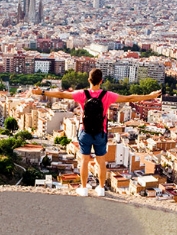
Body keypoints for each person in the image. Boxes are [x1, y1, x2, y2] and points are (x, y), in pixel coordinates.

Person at [32, 68, 160, 197]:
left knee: (84, 161)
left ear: (89, 80)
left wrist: (42, 92)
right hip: (100, 132)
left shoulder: (82, 94)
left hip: (85, 132)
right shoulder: (107, 95)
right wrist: (151, 95)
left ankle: (83, 188)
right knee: (101, 161)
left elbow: (61, 94)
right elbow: (130, 97)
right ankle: (101, 188)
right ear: (101, 81)